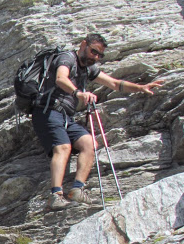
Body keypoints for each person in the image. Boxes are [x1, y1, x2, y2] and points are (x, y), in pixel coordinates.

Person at [32, 33, 163, 210]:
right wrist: (78, 93)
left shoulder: (88, 69)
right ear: (83, 44)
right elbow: (61, 78)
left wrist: (140, 88)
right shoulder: (67, 58)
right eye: (93, 51)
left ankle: (77, 190)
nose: (95, 57)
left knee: (89, 143)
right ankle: (55, 195)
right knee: (63, 147)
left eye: (100, 55)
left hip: (66, 117)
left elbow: (115, 84)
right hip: (47, 111)